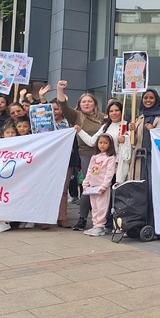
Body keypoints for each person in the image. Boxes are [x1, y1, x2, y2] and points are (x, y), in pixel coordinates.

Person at [56, 81, 103, 232]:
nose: (87, 103)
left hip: (104, 157)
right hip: (86, 157)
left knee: (103, 188)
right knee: (87, 187)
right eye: (84, 101)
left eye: (90, 101)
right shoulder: (76, 116)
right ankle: (82, 218)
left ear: (95, 104)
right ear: (80, 104)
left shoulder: (103, 118)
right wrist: (60, 89)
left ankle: (101, 220)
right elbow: (63, 105)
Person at [77, 100, 131, 183]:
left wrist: (126, 139)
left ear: (122, 111)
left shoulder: (127, 125)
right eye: (111, 111)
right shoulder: (106, 127)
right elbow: (92, 142)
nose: (114, 113)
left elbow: (134, 144)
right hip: (105, 166)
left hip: (121, 166)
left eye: (117, 110)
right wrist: (80, 131)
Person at [81, 134, 117, 237]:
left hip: (102, 188)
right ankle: (95, 225)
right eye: (100, 142)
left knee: (102, 207)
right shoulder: (94, 157)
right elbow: (89, 171)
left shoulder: (110, 158)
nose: (102, 145)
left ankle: (100, 226)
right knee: (94, 207)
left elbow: (109, 173)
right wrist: (86, 183)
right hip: (92, 187)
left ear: (110, 145)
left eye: (105, 143)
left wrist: (104, 186)